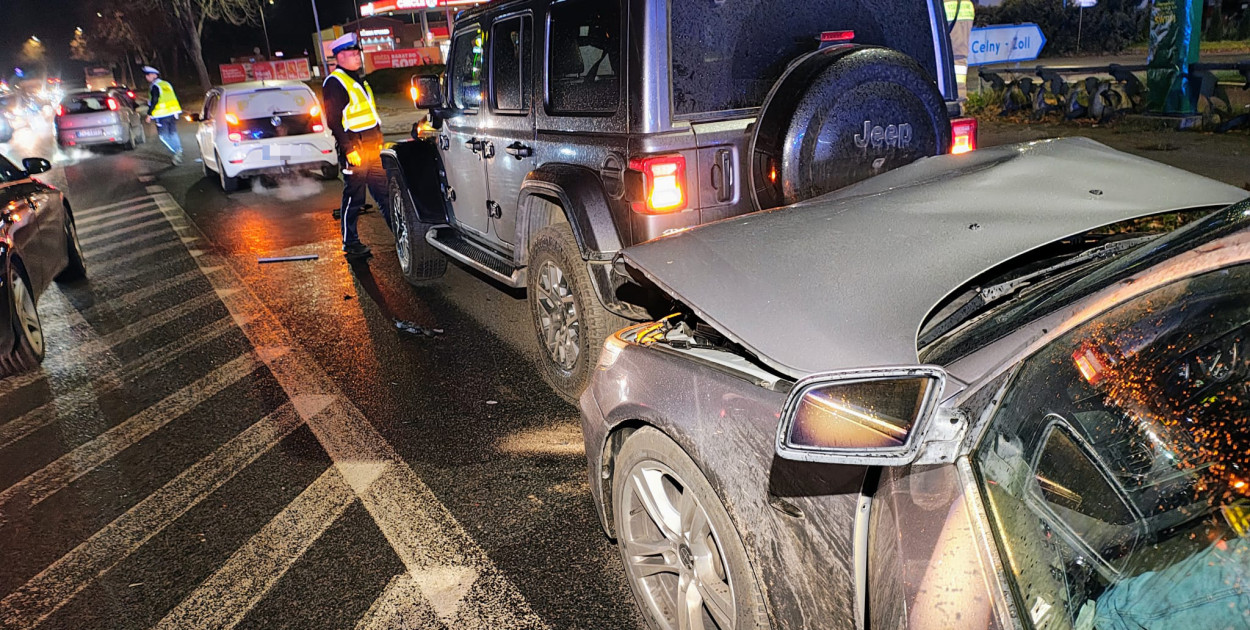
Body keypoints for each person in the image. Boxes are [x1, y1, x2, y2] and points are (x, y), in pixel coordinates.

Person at [321, 33, 391, 261]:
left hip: (372, 148)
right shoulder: (335, 82)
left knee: (385, 194)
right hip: (356, 150)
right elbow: (334, 120)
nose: (357, 57)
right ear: (339, 57)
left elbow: (369, 115)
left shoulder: (359, 79)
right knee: (354, 196)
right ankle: (349, 242)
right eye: (351, 54)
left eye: (357, 53)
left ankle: (402, 234)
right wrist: (349, 149)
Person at [143, 66, 184, 165]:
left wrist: (149, 114)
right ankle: (179, 149)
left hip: (162, 115)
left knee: (163, 136)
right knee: (173, 133)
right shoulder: (166, 84)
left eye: (148, 75)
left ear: (154, 75)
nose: (146, 77)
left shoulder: (155, 86)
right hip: (173, 113)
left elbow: (155, 101)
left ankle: (177, 151)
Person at [944, 0, 975, 100]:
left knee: (952, 56)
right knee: (959, 57)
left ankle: (955, 98)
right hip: (964, 7)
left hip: (947, 9)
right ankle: (959, 98)